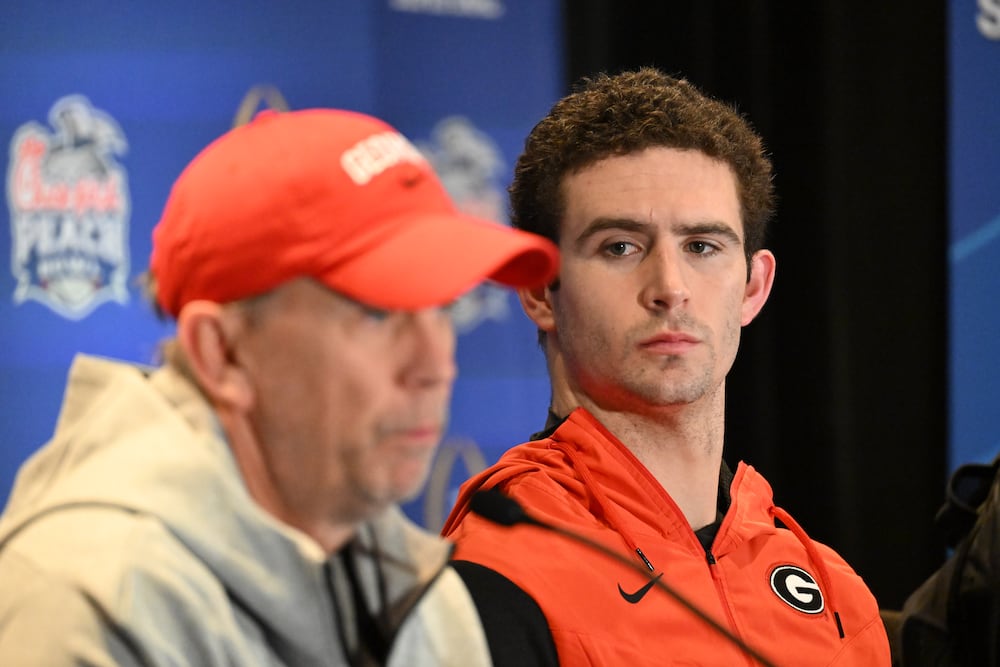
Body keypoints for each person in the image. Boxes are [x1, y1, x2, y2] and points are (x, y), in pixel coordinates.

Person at [0, 108, 559, 666]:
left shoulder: (418, 591)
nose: (437, 366)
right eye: (378, 313)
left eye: (443, 306)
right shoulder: (86, 601)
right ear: (224, 354)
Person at [442, 68, 892, 665]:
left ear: (754, 288)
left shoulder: (837, 597)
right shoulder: (497, 571)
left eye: (702, 246)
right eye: (620, 247)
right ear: (539, 291)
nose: (670, 287)